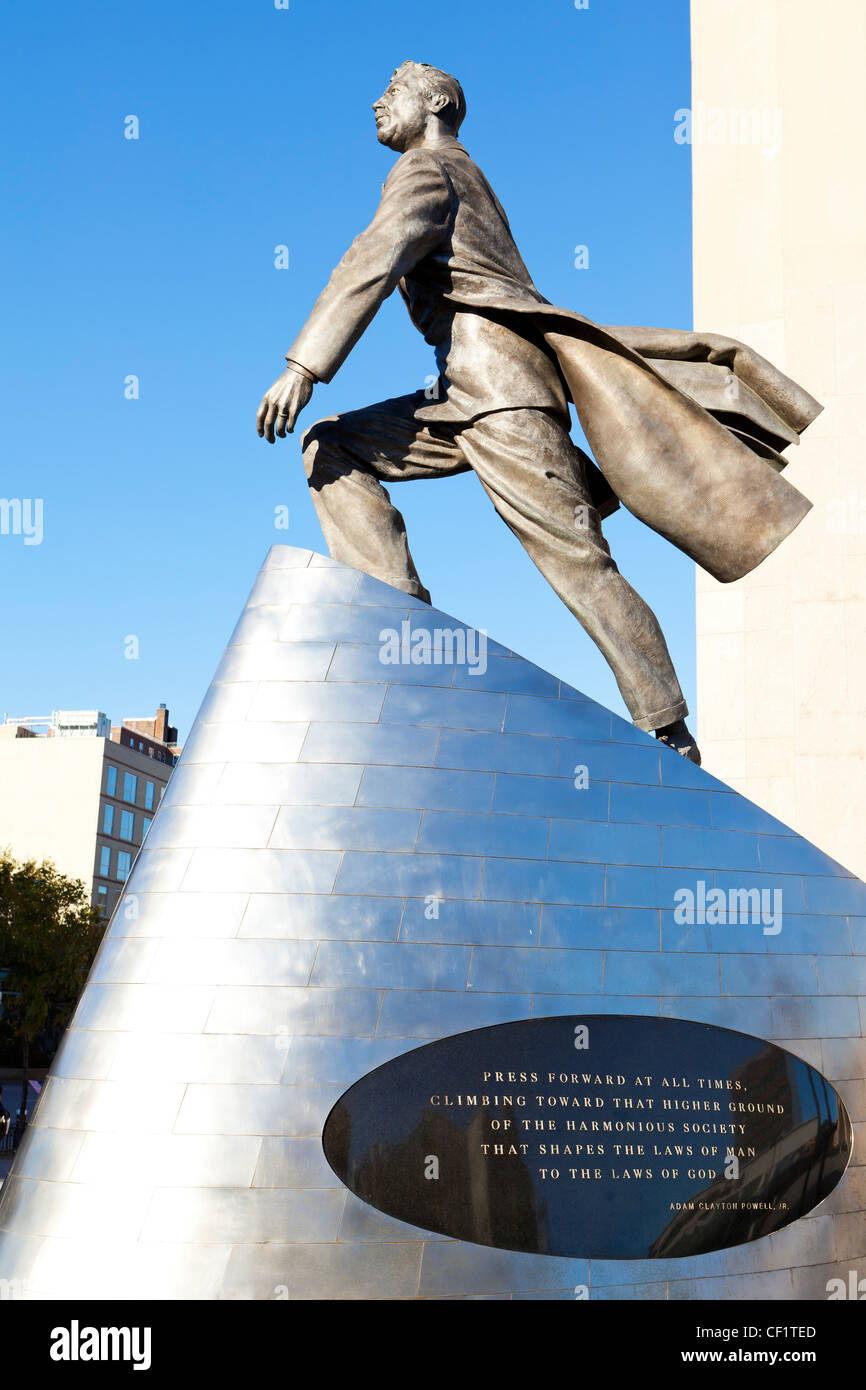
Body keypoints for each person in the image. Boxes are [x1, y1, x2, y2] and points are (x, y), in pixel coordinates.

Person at [256, 62, 821, 763]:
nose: (376, 101)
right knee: (333, 446)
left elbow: (372, 259)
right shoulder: (458, 172)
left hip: (502, 394)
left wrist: (303, 367)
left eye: (393, 90)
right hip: (464, 392)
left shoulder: (429, 171)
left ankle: (669, 731)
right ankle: (396, 622)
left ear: (434, 103)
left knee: (577, 561)